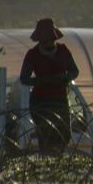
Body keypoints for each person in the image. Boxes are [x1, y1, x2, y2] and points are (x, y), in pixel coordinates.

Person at [18, 17, 79, 155]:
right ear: (39, 40)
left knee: (63, 134)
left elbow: (75, 71)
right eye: (44, 41)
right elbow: (24, 78)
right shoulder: (32, 55)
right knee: (46, 135)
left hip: (60, 100)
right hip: (41, 102)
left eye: (50, 40)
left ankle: (57, 158)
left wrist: (65, 78)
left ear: (54, 38)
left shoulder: (63, 51)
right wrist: (40, 81)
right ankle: (46, 160)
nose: (48, 43)